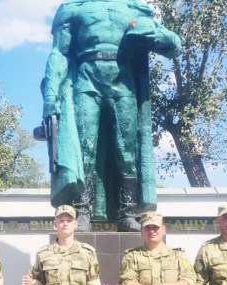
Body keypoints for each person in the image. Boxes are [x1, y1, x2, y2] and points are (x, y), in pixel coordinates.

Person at [41, 0, 181, 231]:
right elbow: (59, 53)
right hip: (86, 81)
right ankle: (82, 212)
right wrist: (50, 96)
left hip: (123, 83)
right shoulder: (73, 8)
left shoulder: (134, 8)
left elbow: (174, 44)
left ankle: (127, 213)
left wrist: (147, 33)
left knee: (127, 152)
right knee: (85, 150)